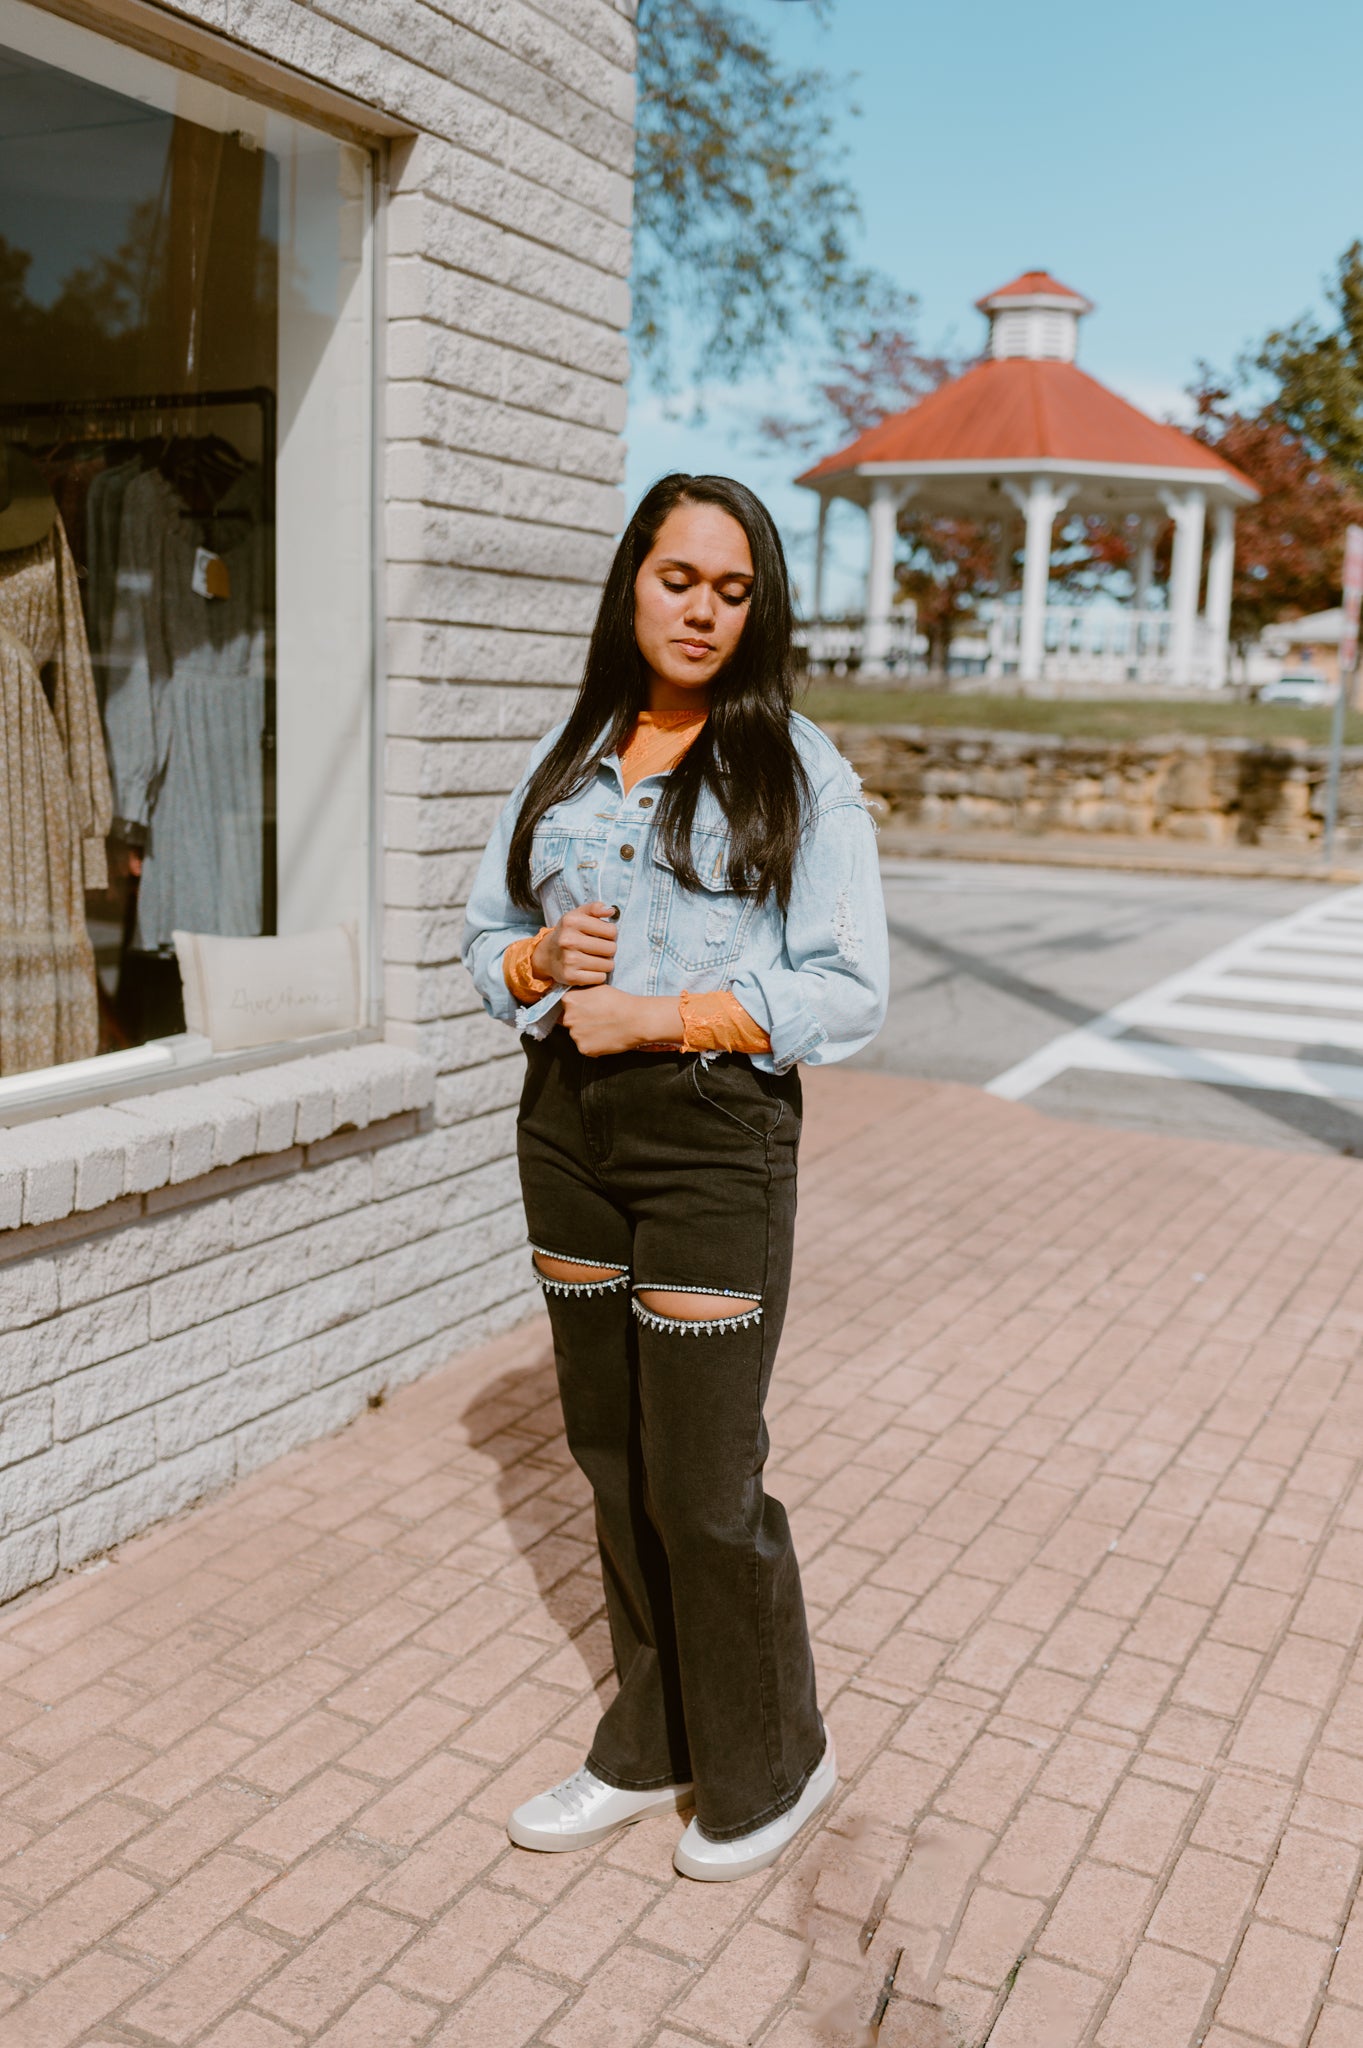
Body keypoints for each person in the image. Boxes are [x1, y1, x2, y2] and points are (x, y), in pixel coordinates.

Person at [462, 473, 889, 1882]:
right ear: (630, 586)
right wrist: (536, 963)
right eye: (676, 579)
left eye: (731, 588)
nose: (700, 610)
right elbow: (485, 942)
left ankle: (776, 1760)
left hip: (714, 1140)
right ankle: (649, 1742)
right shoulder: (571, 753)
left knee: (705, 1482)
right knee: (614, 1460)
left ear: (758, 607)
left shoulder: (793, 771)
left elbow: (849, 991)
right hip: (567, 1132)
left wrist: (660, 1014)